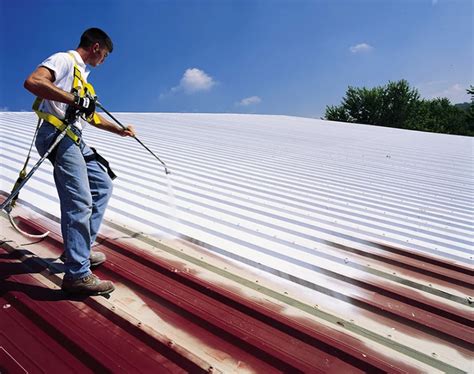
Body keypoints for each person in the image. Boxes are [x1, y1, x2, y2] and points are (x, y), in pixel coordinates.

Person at [24, 28, 135, 295]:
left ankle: (78, 250)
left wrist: (118, 130)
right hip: (56, 134)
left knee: (103, 185)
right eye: (105, 55)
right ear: (96, 47)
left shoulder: (84, 78)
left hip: (75, 138)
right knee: (80, 200)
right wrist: (75, 99)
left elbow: (91, 116)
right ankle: (77, 274)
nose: (104, 61)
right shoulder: (64, 60)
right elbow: (32, 82)